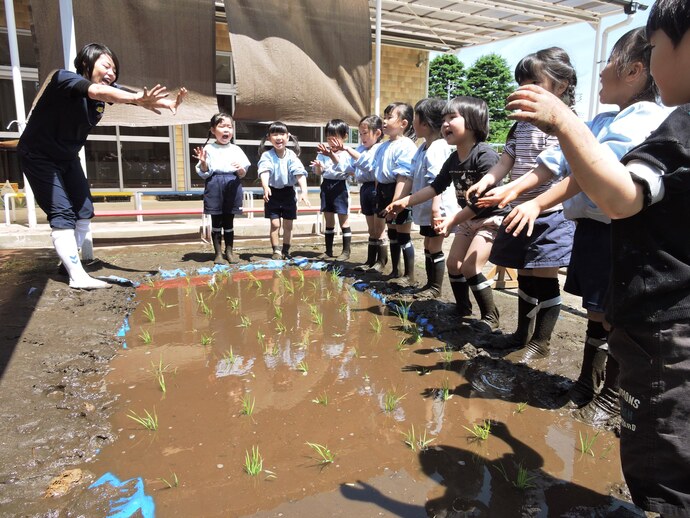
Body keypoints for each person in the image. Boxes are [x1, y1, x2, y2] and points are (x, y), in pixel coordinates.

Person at [505, 1, 690, 514]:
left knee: (659, 451)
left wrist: (563, 119)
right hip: (664, 305)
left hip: (666, 312)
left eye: (653, 50)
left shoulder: (675, 123)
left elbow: (621, 195)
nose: (649, 65)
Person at [477, 28, 670, 426]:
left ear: (634, 71)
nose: (600, 72)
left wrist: (536, 202)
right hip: (592, 229)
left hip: (619, 233)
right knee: (596, 312)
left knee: (612, 316)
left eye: (610, 63)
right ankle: (587, 382)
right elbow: (556, 167)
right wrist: (512, 190)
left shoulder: (643, 118)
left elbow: (592, 173)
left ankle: (612, 396)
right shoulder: (601, 120)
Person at [18, 42, 186, 289]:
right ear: (87, 62)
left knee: (84, 209)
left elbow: (125, 95)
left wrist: (167, 104)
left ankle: (68, 266)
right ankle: (77, 276)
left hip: (67, 157)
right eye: (106, 66)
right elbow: (99, 92)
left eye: (115, 70)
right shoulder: (64, 79)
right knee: (62, 213)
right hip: (38, 154)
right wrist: (137, 98)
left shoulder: (108, 90)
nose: (112, 73)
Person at [465, 47, 578, 362]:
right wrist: (488, 181)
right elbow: (506, 160)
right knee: (525, 273)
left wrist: (511, 191)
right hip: (519, 210)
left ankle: (540, 342)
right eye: (521, 83)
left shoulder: (564, 123)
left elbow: (553, 168)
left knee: (544, 276)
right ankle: (521, 335)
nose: (523, 90)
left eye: (532, 83)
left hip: (551, 212)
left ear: (561, 85)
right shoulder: (521, 125)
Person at [386, 97, 502, 324]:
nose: (445, 124)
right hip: (468, 220)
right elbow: (435, 187)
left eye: (452, 118)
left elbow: (482, 202)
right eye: (444, 120)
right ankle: (462, 308)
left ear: (473, 122)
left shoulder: (485, 155)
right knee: (452, 264)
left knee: (470, 266)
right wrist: (405, 201)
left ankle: (490, 315)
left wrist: (451, 221)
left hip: (490, 219)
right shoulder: (453, 159)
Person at [405, 98, 454, 296]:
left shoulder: (437, 147)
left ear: (424, 123)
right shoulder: (422, 147)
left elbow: (437, 182)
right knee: (427, 244)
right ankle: (430, 284)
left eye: (415, 118)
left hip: (437, 208)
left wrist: (436, 209)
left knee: (434, 246)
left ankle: (435, 287)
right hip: (426, 207)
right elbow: (411, 176)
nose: (413, 122)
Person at [193, 113, 250, 265]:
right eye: (222, 126)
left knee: (229, 220)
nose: (226, 130)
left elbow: (243, 172)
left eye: (229, 127)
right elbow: (204, 172)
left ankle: (229, 252)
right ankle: (218, 253)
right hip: (214, 183)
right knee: (216, 220)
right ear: (213, 130)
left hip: (232, 183)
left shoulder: (236, 149)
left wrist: (240, 169)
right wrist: (204, 162)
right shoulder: (208, 148)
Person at [330, 115, 383, 271]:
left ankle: (381, 261)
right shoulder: (360, 149)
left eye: (365, 133)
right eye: (360, 134)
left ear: (377, 133)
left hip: (376, 187)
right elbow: (348, 168)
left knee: (379, 229)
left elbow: (370, 166)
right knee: (371, 229)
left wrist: (347, 149)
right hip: (365, 189)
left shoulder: (379, 149)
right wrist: (332, 155)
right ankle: (370, 260)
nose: (362, 137)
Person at [373, 102, 417, 281]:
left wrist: (396, 201)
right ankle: (395, 270)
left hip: (399, 192)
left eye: (389, 117)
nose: (384, 121)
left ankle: (409, 275)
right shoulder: (383, 146)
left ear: (403, 123)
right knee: (391, 232)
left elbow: (403, 177)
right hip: (384, 191)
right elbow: (377, 173)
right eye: (384, 117)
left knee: (403, 234)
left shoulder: (406, 146)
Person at [257, 122, 310, 260]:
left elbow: (299, 173)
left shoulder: (291, 155)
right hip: (272, 192)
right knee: (275, 223)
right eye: (275, 134)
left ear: (288, 137)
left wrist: (304, 191)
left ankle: (286, 250)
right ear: (269, 138)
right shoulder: (267, 156)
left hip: (288, 193)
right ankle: (276, 250)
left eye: (281, 134)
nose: (278, 137)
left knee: (288, 224)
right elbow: (264, 171)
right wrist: (265, 186)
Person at [311, 119, 353, 261]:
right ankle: (328, 250)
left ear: (344, 137)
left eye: (335, 138)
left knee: (343, 220)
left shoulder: (347, 153)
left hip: (341, 187)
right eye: (328, 138)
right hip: (326, 186)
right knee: (328, 220)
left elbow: (347, 170)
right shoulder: (322, 152)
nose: (331, 142)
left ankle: (346, 251)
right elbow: (318, 173)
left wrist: (332, 156)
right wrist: (318, 166)